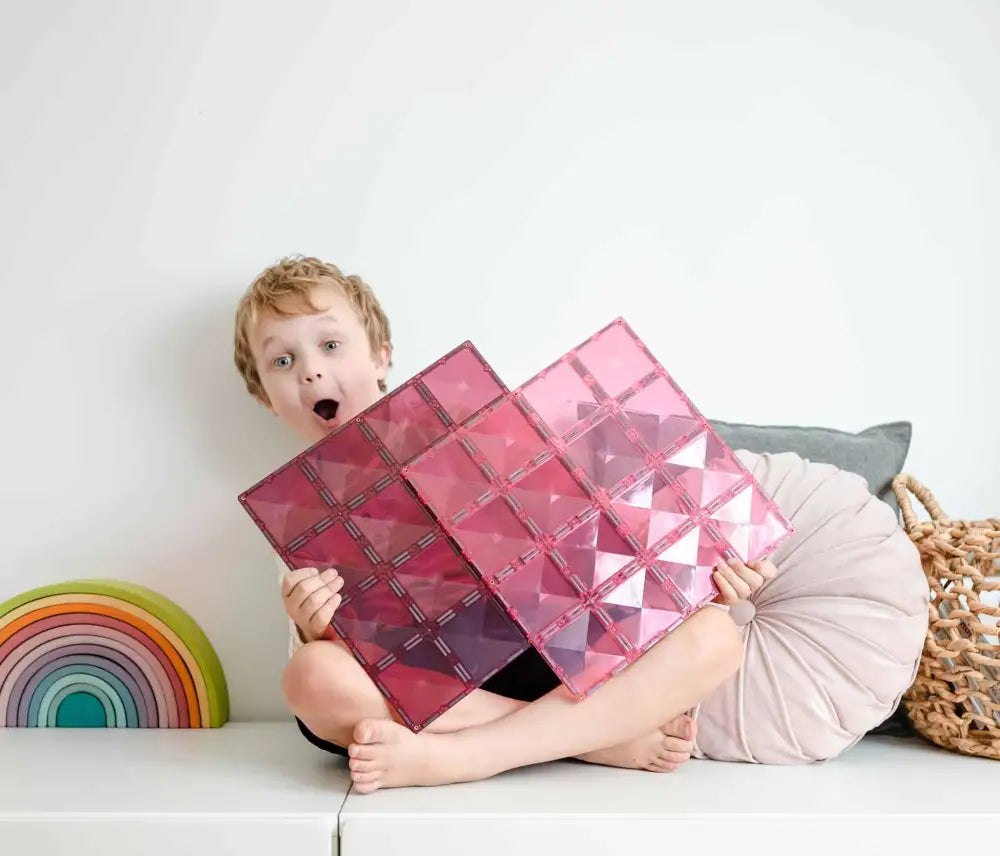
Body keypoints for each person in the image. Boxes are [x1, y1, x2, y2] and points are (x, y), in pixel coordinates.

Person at [233, 255, 777, 792]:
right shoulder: (298, 514)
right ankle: (590, 740)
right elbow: (329, 659)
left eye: (330, 345)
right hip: (437, 689)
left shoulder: (486, 426)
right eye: (281, 362)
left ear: (380, 356)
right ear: (265, 398)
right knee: (311, 678)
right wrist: (312, 626)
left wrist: (705, 574)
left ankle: (470, 756)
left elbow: (608, 543)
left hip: (546, 652)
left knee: (714, 636)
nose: (310, 369)